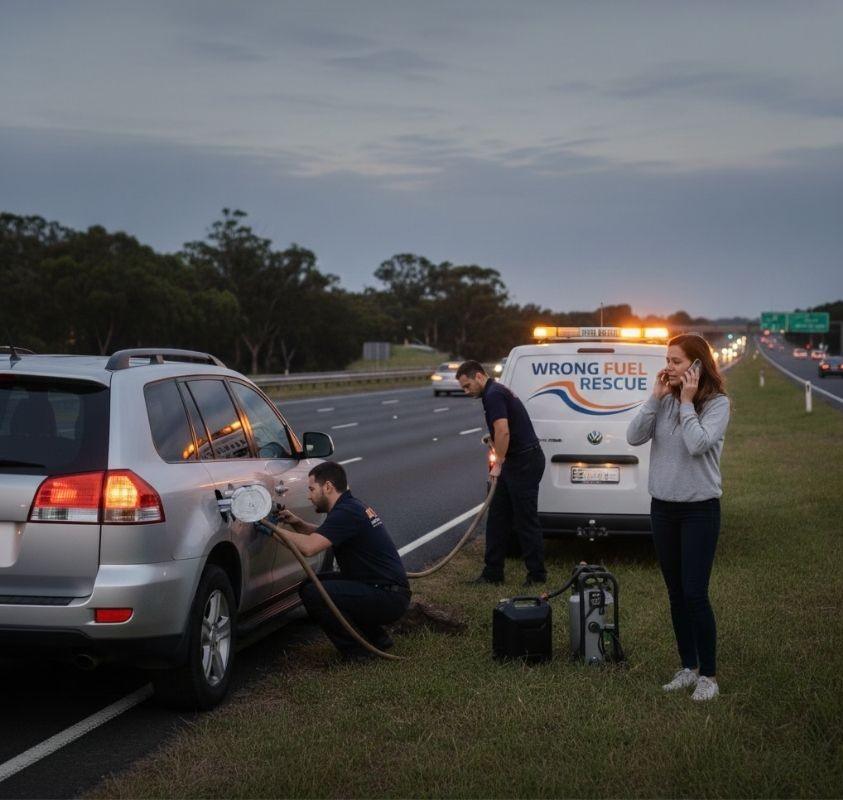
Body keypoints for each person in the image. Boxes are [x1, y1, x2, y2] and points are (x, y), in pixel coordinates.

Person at [626, 333, 730, 702]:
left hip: (699, 509)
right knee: (675, 594)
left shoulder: (717, 405)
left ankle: (709, 677)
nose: (668, 367)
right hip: (663, 509)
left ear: (697, 366)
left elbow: (698, 444)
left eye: (676, 361)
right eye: (667, 360)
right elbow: (633, 436)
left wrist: (686, 403)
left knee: (695, 593)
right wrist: (655, 399)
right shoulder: (663, 401)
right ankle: (688, 667)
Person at [275, 461, 410, 661]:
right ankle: (378, 639)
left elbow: (310, 547)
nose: (309, 496)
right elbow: (325, 535)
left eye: (312, 489)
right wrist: (297, 523)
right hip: (383, 589)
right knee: (311, 585)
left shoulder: (346, 512)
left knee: (315, 593)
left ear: (328, 487)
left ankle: (357, 654)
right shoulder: (350, 506)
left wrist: (272, 530)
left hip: (387, 597)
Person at [456, 359, 547, 586]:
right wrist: (494, 441)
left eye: (467, 386)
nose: (466, 392)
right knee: (497, 517)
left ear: (479, 376)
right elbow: (505, 429)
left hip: (523, 462)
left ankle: (537, 575)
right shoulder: (495, 391)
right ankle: (492, 573)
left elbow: (503, 430)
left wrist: (498, 462)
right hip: (517, 459)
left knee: (525, 520)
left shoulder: (493, 394)